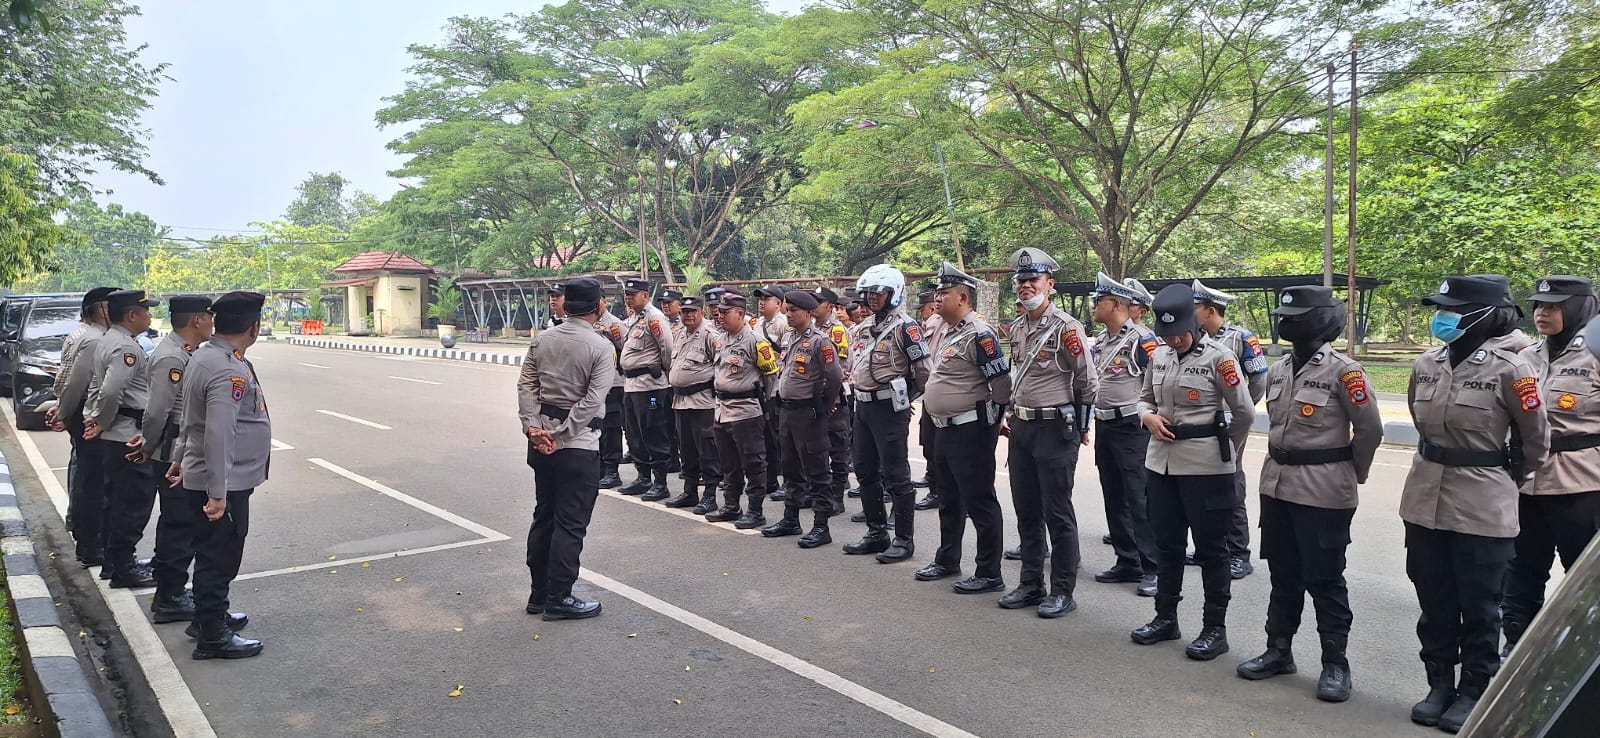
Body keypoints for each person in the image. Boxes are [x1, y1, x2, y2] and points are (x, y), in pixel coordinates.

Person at [1402, 275, 1550, 732]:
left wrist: (1502, 478)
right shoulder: (1426, 363)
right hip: (1424, 498)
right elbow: (1419, 420)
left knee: (1481, 604)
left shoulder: (1513, 369)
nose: (1442, 317)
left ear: (1485, 315)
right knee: (1435, 599)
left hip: (1483, 504)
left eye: (1452, 310)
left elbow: (1536, 442)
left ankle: (1474, 688)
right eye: (1440, 309)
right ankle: (1439, 684)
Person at [1236, 286, 1382, 704]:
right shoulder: (1279, 369)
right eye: (1283, 316)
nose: (1285, 323)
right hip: (1278, 485)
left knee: (1324, 579)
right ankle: (1278, 650)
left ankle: (1335, 663)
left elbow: (1370, 430)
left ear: (1318, 320)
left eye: (1294, 317)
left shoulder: (1345, 372)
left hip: (1323, 491)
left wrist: (1352, 473)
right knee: (1283, 575)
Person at [1131, 283, 1255, 661]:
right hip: (1161, 466)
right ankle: (1165, 617)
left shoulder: (1221, 358)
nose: (1173, 340)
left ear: (1194, 325)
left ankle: (1214, 629)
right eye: (1167, 334)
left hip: (1206, 469)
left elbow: (1244, 413)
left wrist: (1225, 452)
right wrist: (1147, 417)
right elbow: (1144, 399)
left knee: (1212, 551)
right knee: (1167, 545)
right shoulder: (1160, 355)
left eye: (1179, 333)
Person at [1502, 276, 1599, 657]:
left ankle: (1582, 655)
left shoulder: (1594, 356)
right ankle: (1516, 649)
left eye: (1554, 306)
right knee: (1521, 572)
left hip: (1581, 486)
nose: (1542, 313)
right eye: (1539, 306)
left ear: (1578, 308)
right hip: (1527, 483)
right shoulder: (1526, 357)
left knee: (1583, 578)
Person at [999, 248, 1098, 618]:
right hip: (1023, 427)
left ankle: (1062, 590)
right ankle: (1030, 583)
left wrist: (1081, 427)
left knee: (1057, 512)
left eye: (1033, 280)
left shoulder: (1067, 328)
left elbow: (1088, 382)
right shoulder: (1018, 326)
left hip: (1055, 428)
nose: (1025, 286)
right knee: (1026, 509)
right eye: (1021, 281)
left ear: (1050, 284)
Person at [173, 291, 269, 659]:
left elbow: (190, 418)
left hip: (213, 475)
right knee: (219, 556)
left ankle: (206, 619)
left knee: (211, 551)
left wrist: (180, 457)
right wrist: (218, 492)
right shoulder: (227, 368)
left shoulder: (206, 356)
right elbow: (218, 432)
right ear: (253, 328)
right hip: (224, 481)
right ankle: (212, 636)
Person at [518, 278, 616, 622]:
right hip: (578, 445)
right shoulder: (600, 347)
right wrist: (560, 437)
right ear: (598, 306)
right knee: (570, 524)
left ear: (566, 305)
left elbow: (526, 386)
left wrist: (533, 428)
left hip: (540, 443)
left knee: (544, 515)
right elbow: (591, 401)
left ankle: (539, 593)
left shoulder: (542, 340)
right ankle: (559, 597)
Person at [914, 263, 1013, 594]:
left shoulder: (980, 334)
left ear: (963, 297)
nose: (937, 298)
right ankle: (947, 559)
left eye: (944, 293)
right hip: (945, 429)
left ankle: (988, 572)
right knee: (948, 498)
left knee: (979, 501)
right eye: (937, 292)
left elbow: (1001, 384)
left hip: (971, 431)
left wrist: (991, 422)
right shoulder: (949, 331)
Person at [842, 265, 931, 563]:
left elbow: (924, 372)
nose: (872, 298)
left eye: (879, 293)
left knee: (896, 474)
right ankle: (876, 532)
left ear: (894, 293)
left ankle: (903, 540)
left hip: (889, 408)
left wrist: (905, 399)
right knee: (865, 470)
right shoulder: (864, 327)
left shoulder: (907, 328)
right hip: (863, 406)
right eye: (869, 293)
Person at [138, 295, 215, 624]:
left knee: (180, 523)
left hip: (178, 448)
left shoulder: (185, 351)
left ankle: (171, 589)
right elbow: (157, 411)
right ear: (197, 320)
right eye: (209, 317)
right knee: (179, 524)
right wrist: (147, 446)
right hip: (172, 451)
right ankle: (170, 596)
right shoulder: (172, 356)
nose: (212, 324)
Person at [1088, 273, 1162, 597]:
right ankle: (1127, 560)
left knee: (1139, 497)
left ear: (1115, 304)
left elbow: (1159, 381)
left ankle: (1153, 568)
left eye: (1098, 301)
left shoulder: (1142, 340)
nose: (1093, 305)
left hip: (1132, 427)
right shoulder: (1102, 340)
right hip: (1105, 425)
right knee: (1114, 494)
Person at [1193, 279, 1271, 580]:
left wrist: (1240, 411)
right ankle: (1209, 547)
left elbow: (1259, 381)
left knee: (1230, 483)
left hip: (1229, 425)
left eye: (1195, 308)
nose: (1191, 313)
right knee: (1201, 485)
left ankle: (1238, 553)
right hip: (1199, 424)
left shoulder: (1241, 339)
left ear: (1211, 310)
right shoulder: (1195, 337)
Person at [84, 290, 161, 588]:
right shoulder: (125, 347)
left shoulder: (112, 340)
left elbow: (100, 386)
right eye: (146, 311)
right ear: (131, 315)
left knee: (116, 502)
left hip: (118, 433)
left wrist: (98, 419)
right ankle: (123, 567)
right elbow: (112, 390)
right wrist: (102, 422)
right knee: (132, 504)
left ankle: (114, 562)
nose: (150, 316)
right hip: (127, 434)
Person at [762, 290, 844, 547]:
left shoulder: (821, 341)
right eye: (787, 310)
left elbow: (834, 378)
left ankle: (821, 525)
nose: (788, 314)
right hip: (787, 412)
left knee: (817, 470)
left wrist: (824, 406)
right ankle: (791, 518)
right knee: (791, 469)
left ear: (809, 313)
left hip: (809, 414)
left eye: (794, 311)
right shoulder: (789, 337)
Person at [705, 291, 780, 528]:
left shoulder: (756, 341)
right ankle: (731, 506)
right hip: (722, 409)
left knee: (753, 462)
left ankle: (755, 510)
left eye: (725, 312)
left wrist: (760, 400)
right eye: (719, 312)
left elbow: (771, 376)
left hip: (746, 411)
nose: (720, 316)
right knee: (729, 462)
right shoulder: (720, 339)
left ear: (740, 313)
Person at [48, 287, 116, 547]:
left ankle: (80, 527)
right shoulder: (95, 339)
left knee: (84, 472)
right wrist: (65, 413)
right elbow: (76, 382)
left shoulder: (85, 334)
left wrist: (63, 409)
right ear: (101, 310)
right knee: (93, 481)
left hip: (79, 411)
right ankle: (89, 540)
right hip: (87, 414)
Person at [617, 280, 675, 500]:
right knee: (634, 433)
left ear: (645, 295)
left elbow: (667, 348)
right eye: (627, 294)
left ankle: (660, 483)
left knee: (653, 431)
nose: (628, 298)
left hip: (651, 387)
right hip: (632, 386)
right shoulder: (635, 318)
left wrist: (662, 372)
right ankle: (643, 478)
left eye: (633, 294)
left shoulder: (654, 317)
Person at [665, 296, 722, 511]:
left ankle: (710, 495)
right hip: (680, 402)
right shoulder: (680, 334)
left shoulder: (710, 335)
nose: (688, 315)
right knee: (687, 450)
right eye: (685, 312)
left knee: (707, 450)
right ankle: (689, 491)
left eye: (692, 311)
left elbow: (721, 368)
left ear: (702, 312)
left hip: (702, 402)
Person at [812, 286, 853, 516]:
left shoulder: (837, 331)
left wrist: (829, 396)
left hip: (834, 396)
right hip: (813, 397)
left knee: (837, 448)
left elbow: (841, 367)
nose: (813, 305)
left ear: (829, 306)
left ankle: (837, 495)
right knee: (816, 447)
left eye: (818, 302)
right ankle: (820, 493)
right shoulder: (810, 329)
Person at [753, 286, 790, 501]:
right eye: (760, 298)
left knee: (779, 436)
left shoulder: (783, 323)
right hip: (762, 387)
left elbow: (787, 356)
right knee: (766, 435)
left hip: (777, 387)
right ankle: (770, 479)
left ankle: (787, 480)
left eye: (767, 299)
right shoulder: (758, 324)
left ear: (778, 303)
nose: (762, 302)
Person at [593, 293, 627, 489]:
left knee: (612, 428)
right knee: (596, 426)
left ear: (605, 302)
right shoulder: (588, 322)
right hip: (595, 385)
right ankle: (600, 468)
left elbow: (625, 350)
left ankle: (612, 471)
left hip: (614, 384)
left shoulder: (614, 324)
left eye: (598, 300)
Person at [913, 289, 943, 506]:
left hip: (945, 398)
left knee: (941, 449)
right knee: (929, 443)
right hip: (930, 396)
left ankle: (940, 492)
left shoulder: (943, 326)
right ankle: (934, 487)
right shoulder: (929, 327)